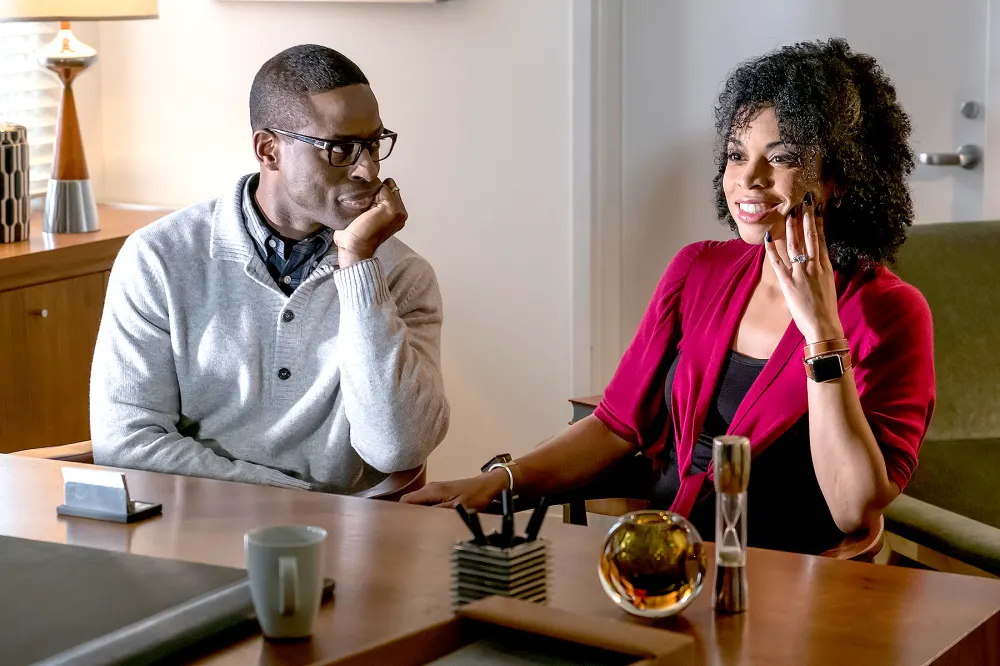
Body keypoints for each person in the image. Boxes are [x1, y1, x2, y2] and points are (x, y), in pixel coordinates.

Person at [403, 38, 935, 554]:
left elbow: (853, 510)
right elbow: (615, 427)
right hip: (665, 558)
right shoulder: (698, 269)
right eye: (736, 155)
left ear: (839, 177)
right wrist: (497, 482)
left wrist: (821, 332)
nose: (748, 179)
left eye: (781, 158)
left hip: (792, 581)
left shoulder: (890, 312)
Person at [91, 44, 449, 493]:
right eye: (341, 148)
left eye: (373, 144)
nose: (368, 169)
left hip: (342, 532)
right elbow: (125, 443)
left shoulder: (401, 275)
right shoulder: (158, 258)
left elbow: (398, 449)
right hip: (194, 523)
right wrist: (299, 503)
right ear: (269, 150)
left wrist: (359, 265)